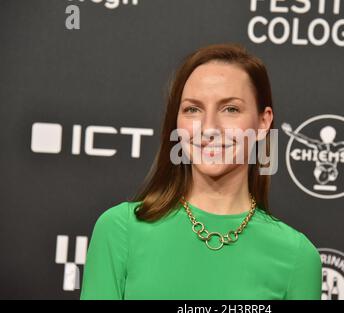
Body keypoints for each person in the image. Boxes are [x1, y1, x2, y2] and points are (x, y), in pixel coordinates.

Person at [80, 43, 322, 300]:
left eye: (230, 109)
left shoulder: (297, 257)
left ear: (263, 122)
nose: (209, 128)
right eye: (192, 109)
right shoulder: (121, 229)